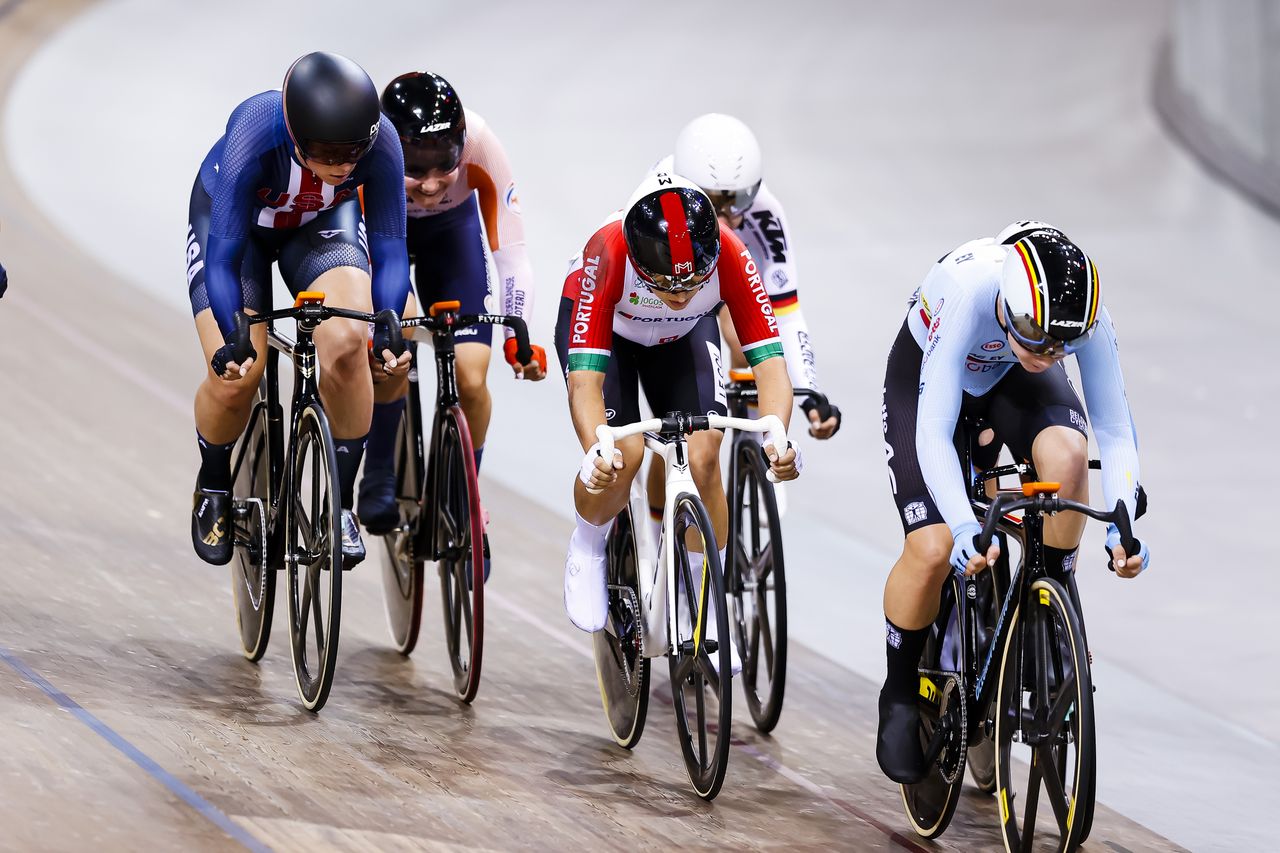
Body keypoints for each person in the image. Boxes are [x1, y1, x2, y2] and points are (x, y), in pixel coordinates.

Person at [876, 221, 1150, 783]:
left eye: (1061, 344)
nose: (1048, 353)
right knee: (930, 548)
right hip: (927, 379)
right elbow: (933, 429)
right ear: (1007, 304)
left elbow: (1114, 426)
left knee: (1070, 457)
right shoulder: (970, 291)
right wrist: (958, 526)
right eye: (1035, 335)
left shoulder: (1073, 322)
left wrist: (1121, 520)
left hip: (1005, 378)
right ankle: (900, 691)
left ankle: (1052, 591)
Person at [186, 51, 411, 569]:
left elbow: (392, 250)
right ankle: (214, 479)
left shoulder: (381, 144)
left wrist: (389, 321)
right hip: (235, 233)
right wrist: (234, 332)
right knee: (239, 374)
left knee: (350, 344)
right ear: (292, 133)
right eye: (328, 152)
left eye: (354, 152)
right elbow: (222, 260)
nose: (343, 166)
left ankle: (341, 504)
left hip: (317, 225)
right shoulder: (255, 128)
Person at [555, 171, 801, 644]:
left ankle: (701, 594)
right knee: (621, 456)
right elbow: (585, 383)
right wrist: (595, 451)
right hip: (613, 339)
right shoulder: (607, 253)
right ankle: (587, 544)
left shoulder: (729, 253)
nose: (682, 294)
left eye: (692, 284)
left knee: (706, 455)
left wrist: (778, 436)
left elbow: (771, 365)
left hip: (684, 338)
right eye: (667, 286)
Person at [358, 71, 543, 557]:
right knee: (390, 347)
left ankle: (464, 501)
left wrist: (516, 336)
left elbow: (513, 257)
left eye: (445, 166)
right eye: (416, 170)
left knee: (472, 378)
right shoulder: (367, 149)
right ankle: (378, 470)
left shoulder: (482, 144)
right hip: (381, 234)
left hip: (450, 238)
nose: (434, 184)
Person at [644, 113, 841, 537]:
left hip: (731, 289)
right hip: (676, 302)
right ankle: (657, 535)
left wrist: (810, 393)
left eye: (741, 200)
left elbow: (784, 308)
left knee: (744, 333)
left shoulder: (766, 211)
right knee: (677, 428)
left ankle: (757, 434)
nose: (733, 218)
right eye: (718, 205)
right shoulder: (658, 197)